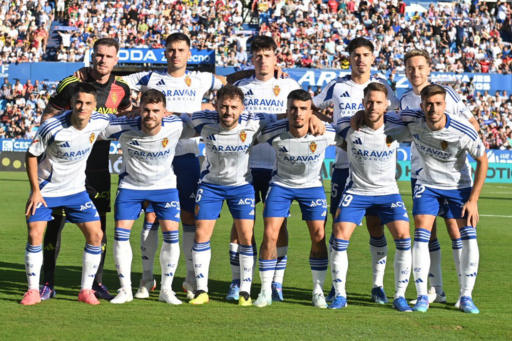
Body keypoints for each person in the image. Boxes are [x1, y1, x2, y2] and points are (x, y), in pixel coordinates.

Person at [121, 32, 226, 300]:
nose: (176, 54)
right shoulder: (149, 78)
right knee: (151, 216)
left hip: (186, 155)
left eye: (181, 50)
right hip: (152, 158)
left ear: (189, 54)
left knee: (189, 217)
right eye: (171, 50)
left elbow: (227, 83)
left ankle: (189, 279)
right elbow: (118, 82)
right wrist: (131, 105)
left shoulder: (201, 78)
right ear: (165, 53)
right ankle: (146, 280)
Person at [39, 38, 132, 301]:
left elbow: (126, 117)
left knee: (98, 228)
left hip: (97, 170)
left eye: (108, 56)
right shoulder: (72, 85)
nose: (102, 60)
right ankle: (48, 282)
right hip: (63, 169)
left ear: (116, 60)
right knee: (53, 225)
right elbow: (48, 116)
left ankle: (96, 283)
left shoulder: (121, 89)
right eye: (98, 55)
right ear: (92, 56)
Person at [313, 37, 399, 304]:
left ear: (373, 58)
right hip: (344, 167)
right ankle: (337, 287)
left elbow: (395, 115)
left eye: (365, 54)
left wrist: (366, 115)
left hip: (377, 173)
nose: (361, 59)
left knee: (376, 227)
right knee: (338, 227)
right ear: (349, 58)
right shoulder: (337, 85)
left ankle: (377, 286)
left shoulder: (384, 88)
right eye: (356, 55)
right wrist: (332, 123)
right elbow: (312, 108)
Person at [100, 89, 196, 305]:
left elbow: (204, 125)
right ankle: (125, 290)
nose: (150, 115)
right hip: (131, 187)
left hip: (165, 188)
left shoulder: (176, 125)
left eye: (155, 111)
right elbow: (95, 127)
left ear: (164, 112)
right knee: (120, 234)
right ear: (139, 109)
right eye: (145, 110)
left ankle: (166, 289)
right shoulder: (122, 127)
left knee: (172, 234)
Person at [21, 83, 114, 306]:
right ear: (72, 103)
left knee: (96, 235)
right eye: (79, 102)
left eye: (88, 103)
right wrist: (35, 190)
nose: (82, 107)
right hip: (47, 190)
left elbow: (128, 120)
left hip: (76, 192)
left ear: (94, 106)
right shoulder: (52, 127)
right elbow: (31, 155)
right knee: (35, 234)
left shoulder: (100, 122)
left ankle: (85, 291)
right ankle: (33, 291)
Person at [400, 49, 480, 307]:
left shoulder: (446, 94)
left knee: (456, 229)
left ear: (429, 68)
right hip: (420, 174)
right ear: (406, 71)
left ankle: (463, 294)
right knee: (427, 232)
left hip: (453, 177)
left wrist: (447, 142)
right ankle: (435, 290)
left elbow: (473, 126)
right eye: (411, 68)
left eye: (420, 67)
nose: (416, 72)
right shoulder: (403, 101)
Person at [188, 85, 279, 306]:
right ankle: (201, 290)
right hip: (210, 186)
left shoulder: (255, 121)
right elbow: (174, 114)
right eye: (224, 106)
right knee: (201, 234)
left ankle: (245, 291)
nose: (228, 112)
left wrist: (313, 118)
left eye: (234, 107)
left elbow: (285, 116)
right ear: (216, 106)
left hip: (241, 186)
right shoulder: (202, 120)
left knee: (247, 236)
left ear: (242, 108)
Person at [230, 35, 301, 302]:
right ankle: (237, 283)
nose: (262, 60)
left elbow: (303, 112)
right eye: (257, 56)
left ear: (275, 57)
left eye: (267, 55)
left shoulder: (288, 85)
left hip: (277, 168)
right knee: (241, 226)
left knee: (278, 226)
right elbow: (225, 88)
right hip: (245, 166)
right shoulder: (240, 86)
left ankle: (277, 283)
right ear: (252, 58)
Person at [330, 83, 412, 312]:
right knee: (339, 235)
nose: (373, 106)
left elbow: (423, 120)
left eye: (378, 102)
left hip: (388, 193)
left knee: (404, 237)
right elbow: (320, 127)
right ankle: (340, 294)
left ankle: (397, 295)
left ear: (386, 104)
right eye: (369, 101)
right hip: (357, 191)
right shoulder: (347, 124)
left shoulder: (398, 126)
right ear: (363, 102)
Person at [253, 89, 337, 308]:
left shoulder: (326, 132)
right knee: (270, 234)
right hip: (281, 185)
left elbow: (350, 139)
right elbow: (249, 138)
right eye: (293, 108)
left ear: (311, 111)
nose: (297, 113)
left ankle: (318, 291)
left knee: (319, 235)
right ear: (287, 110)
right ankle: (265, 291)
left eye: (303, 109)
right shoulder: (273, 131)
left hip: (312, 187)